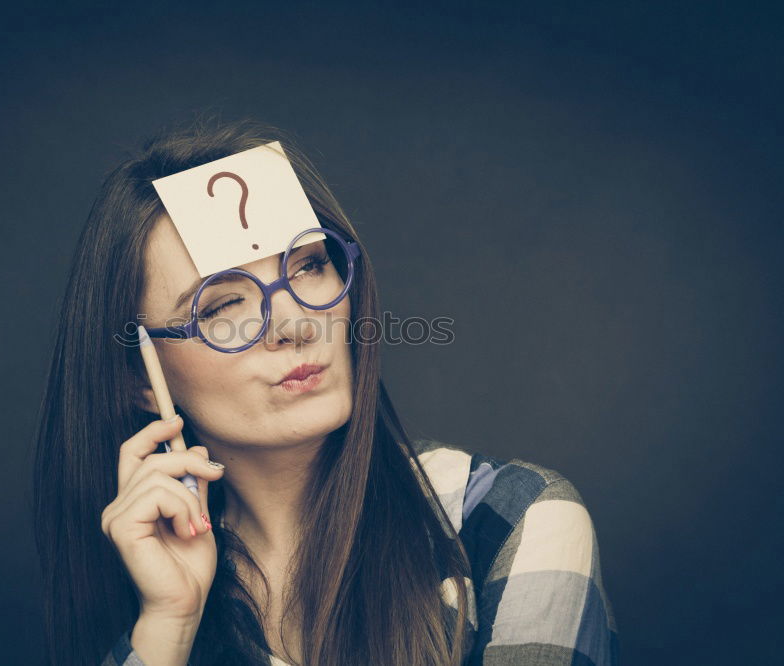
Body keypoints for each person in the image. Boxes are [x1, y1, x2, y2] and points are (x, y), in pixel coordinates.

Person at [32, 117, 619, 666]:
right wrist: (168, 626)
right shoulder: (161, 587)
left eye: (309, 266)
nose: (295, 324)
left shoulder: (510, 520)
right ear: (140, 377)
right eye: (223, 304)